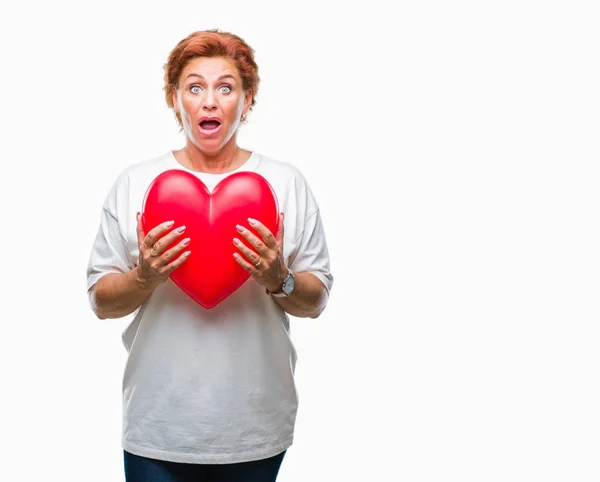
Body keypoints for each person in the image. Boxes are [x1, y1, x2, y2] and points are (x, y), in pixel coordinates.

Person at [86, 29, 333, 482]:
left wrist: (281, 278)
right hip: (158, 427)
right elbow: (101, 302)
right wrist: (144, 277)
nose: (210, 101)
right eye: (194, 86)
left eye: (226, 86)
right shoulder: (136, 183)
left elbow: (316, 302)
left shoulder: (286, 184)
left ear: (248, 98)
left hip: (255, 426)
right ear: (174, 98)